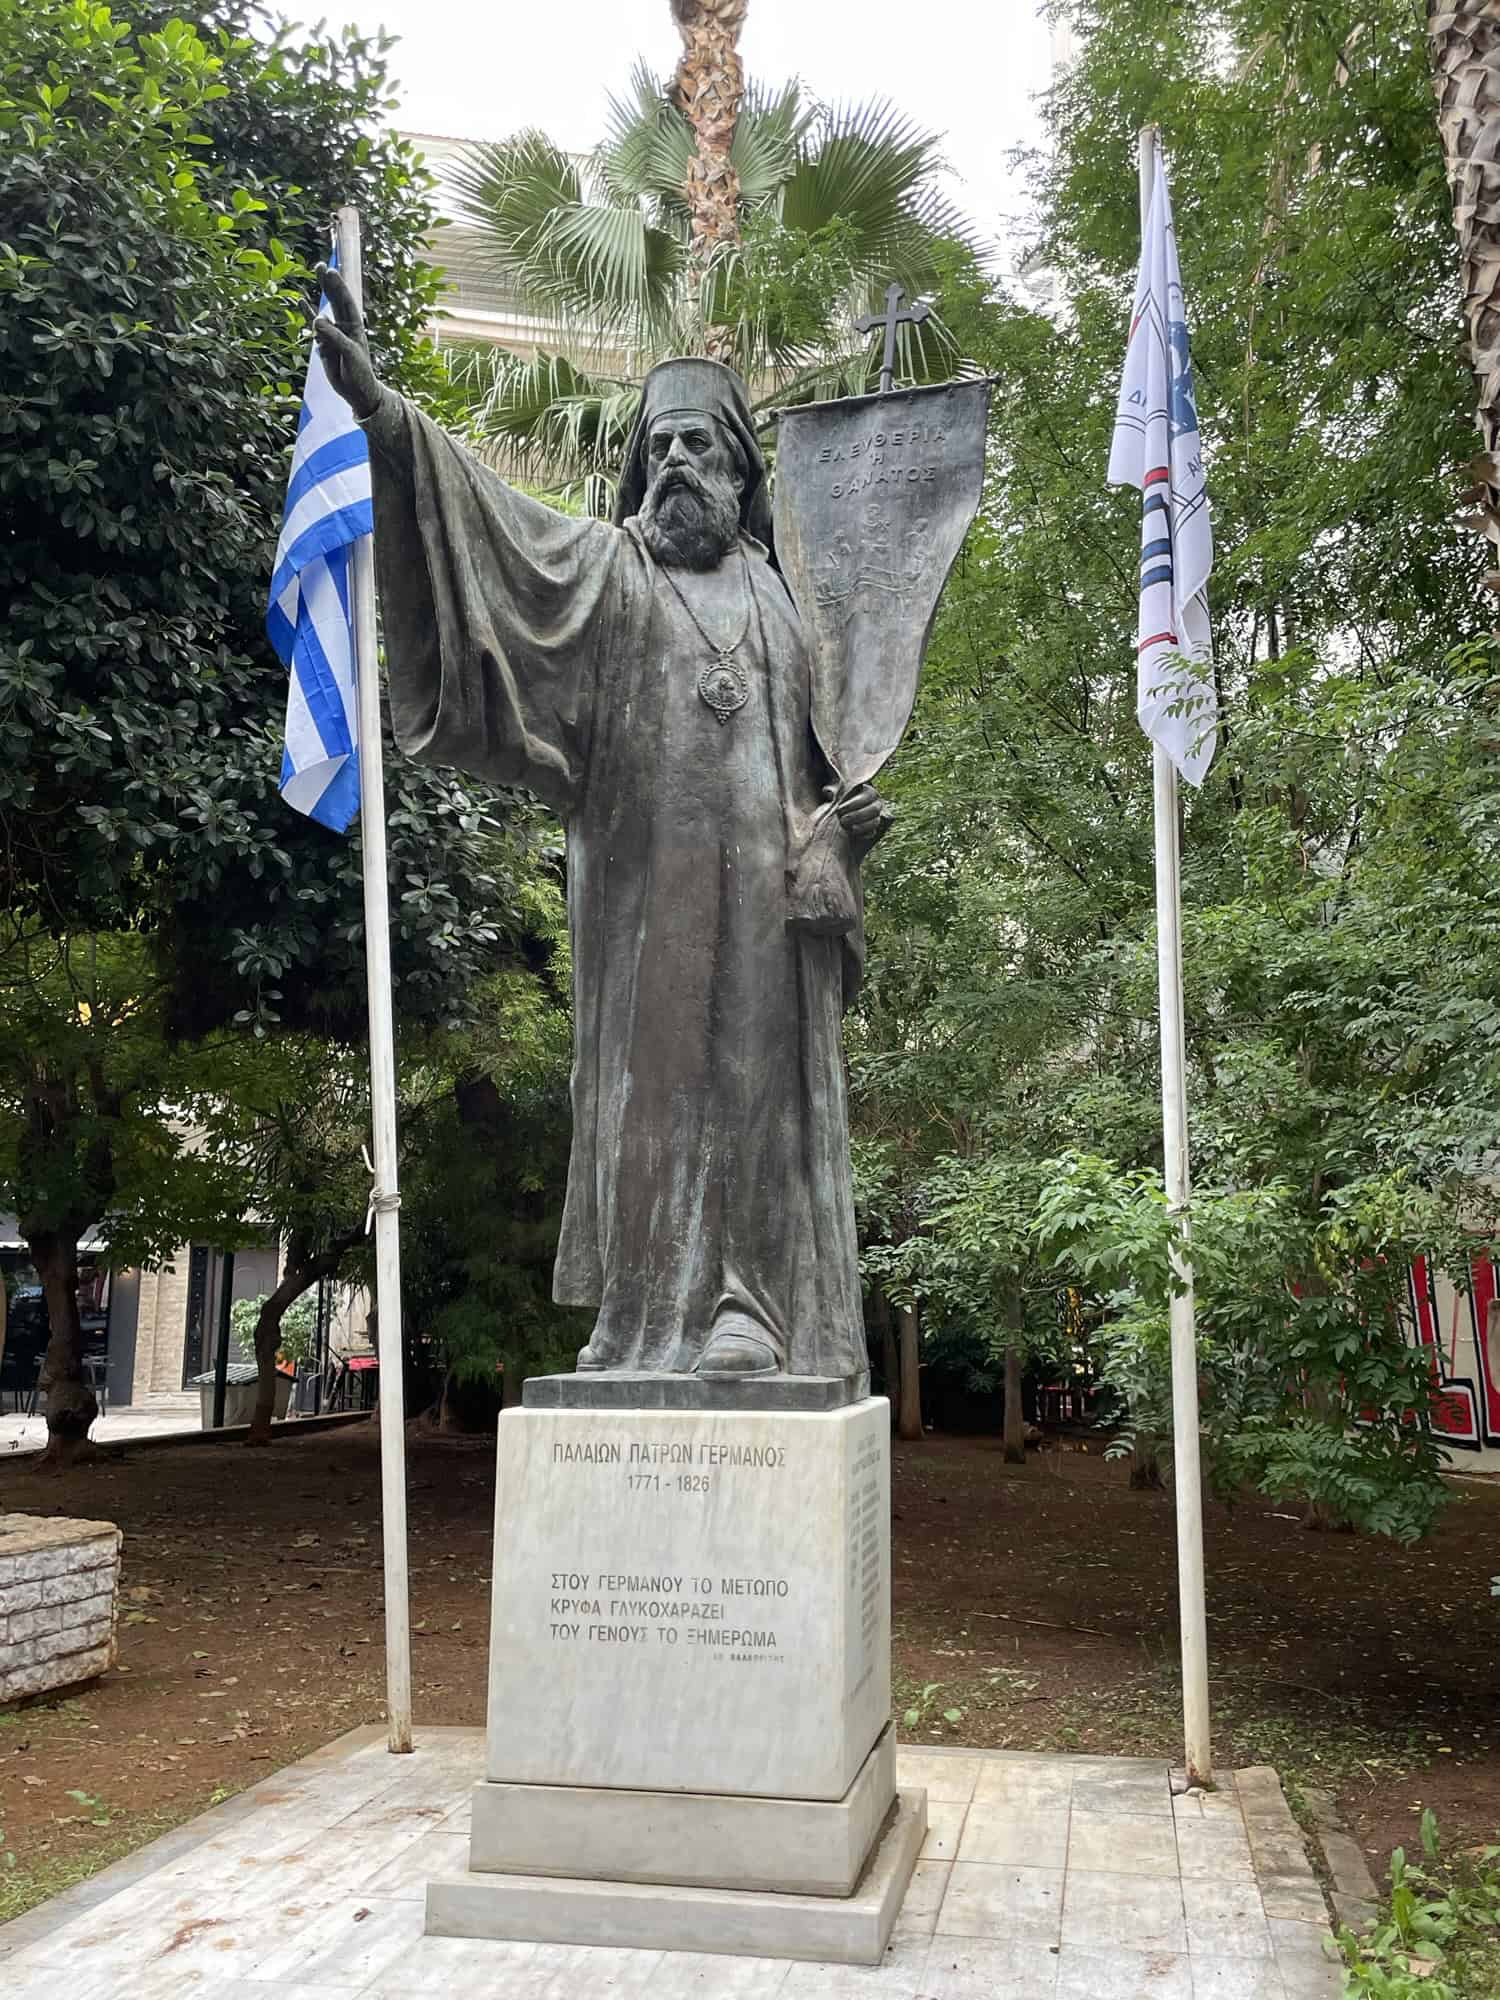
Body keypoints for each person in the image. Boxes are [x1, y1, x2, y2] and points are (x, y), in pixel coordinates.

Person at [313, 270, 890, 1381]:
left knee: (757, 1091)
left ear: (739, 467)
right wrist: (384, 417)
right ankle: (643, 1318)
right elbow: (491, 526)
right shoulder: (608, 569)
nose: (676, 461)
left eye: (698, 445)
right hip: (640, 893)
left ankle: (752, 1311)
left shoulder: (789, 600)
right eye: (658, 445)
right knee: (646, 1091)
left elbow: (832, 766)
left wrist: (841, 834)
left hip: (769, 906)